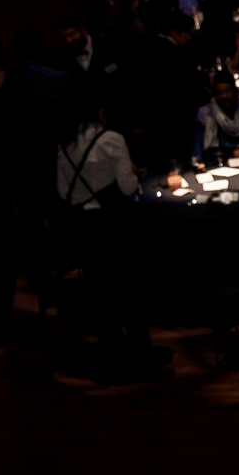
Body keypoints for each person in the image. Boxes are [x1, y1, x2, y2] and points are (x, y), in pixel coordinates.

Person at [55, 91, 168, 382]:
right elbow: (128, 187)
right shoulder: (112, 139)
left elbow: (63, 191)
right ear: (100, 112)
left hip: (86, 228)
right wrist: (130, 173)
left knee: (102, 295)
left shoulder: (66, 143)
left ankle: (113, 361)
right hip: (114, 225)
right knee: (130, 292)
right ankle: (143, 353)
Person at [193, 73, 239, 160]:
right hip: (217, 162)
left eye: (228, 92)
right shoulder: (205, 114)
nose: (224, 96)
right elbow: (197, 149)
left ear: (236, 92)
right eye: (219, 93)